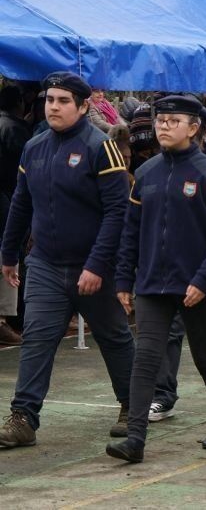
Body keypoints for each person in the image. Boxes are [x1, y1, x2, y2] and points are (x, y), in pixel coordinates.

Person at [0, 71, 134, 448]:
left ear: (83, 105)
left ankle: (131, 407)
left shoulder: (100, 147)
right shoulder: (34, 146)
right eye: (49, 100)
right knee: (37, 340)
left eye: (62, 101)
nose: (53, 107)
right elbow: (22, 203)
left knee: (114, 337)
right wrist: (9, 253)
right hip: (44, 263)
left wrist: (97, 265)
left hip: (94, 266)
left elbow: (116, 212)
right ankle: (23, 418)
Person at [107, 95, 206, 463]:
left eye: (173, 121)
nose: (163, 126)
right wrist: (122, 280)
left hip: (199, 286)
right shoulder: (146, 174)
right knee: (146, 357)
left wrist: (204, 279)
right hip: (152, 284)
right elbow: (130, 232)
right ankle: (135, 439)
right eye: (160, 120)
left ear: (194, 128)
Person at [0, 85, 30, 346]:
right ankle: (7, 319)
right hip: (8, 196)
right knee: (10, 254)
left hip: (9, 196)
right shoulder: (14, 129)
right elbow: (23, 173)